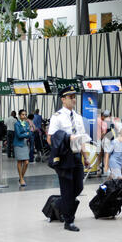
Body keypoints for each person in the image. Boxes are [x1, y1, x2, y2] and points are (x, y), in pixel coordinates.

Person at [47, 86, 90, 232]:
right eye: (70, 97)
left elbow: (82, 138)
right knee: (67, 189)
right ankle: (68, 221)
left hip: (77, 155)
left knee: (78, 187)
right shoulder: (57, 117)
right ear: (63, 99)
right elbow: (50, 139)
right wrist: (65, 142)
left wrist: (86, 157)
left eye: (74, 96)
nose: (73, 99)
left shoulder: (77, 117)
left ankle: (59, 204)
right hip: (64, 157)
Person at [14, 110, 31, 187]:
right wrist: (26, 134)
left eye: (25, 114)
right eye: (23, 114)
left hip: (24, 144)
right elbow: (18, 135)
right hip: (18, 144)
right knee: (20, 162)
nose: (24, 116)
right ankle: (21, 179)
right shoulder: (17, 124)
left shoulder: (26, 123)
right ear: (19, 115)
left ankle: (21, 177)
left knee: (26, 162)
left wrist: (25, 134)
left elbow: (29, 133)